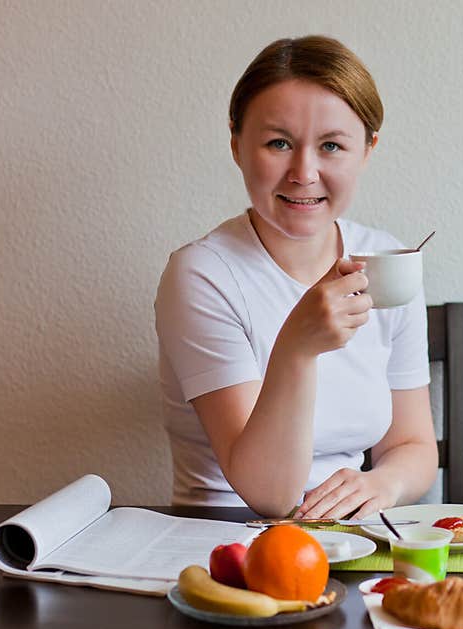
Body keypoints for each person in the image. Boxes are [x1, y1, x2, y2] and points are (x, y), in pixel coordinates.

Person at [154, 35, 438, 519]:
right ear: (237, 145)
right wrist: (297, 346)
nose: (304, 173)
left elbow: (412, 444)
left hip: (353, 539)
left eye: (331, 146)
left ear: (367, 150)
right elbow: (267, 494)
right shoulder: (202, 275)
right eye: (278, 143)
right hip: (225, 538)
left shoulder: (386, 264)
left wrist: (382, 484)